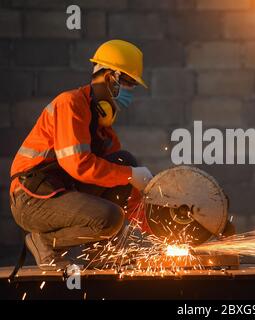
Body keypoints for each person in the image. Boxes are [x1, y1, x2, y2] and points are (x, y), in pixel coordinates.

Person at [9, 40, 152, 270]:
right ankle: (43, 242)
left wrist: (163, 227)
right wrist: (130, 175)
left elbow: (126, 189)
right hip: (31, 197)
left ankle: (103, 254)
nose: (129, 90)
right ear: (110, 77)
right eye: (128, 82)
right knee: (111, 217)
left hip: (62, 192)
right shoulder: (71, 104)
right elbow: (79, 165)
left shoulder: (104, 131)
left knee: (124, 162)